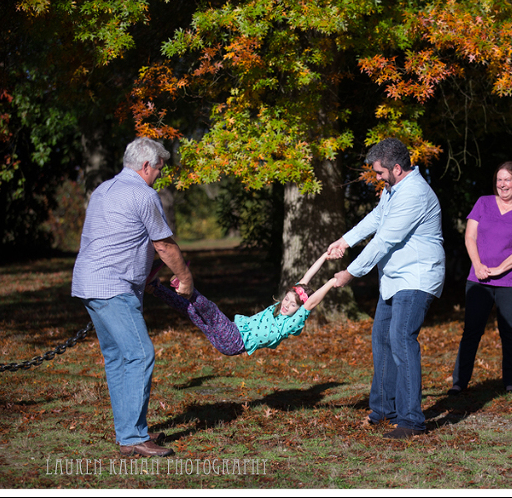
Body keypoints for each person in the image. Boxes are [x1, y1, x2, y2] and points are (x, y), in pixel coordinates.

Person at [72, 137, 193, 458]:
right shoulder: (144, 194)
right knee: (140, 355)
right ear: (145, 166)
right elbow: (165, 246)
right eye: (158, 170)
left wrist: (146, 273)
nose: (159, 176)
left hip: (88, 283)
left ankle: (129, 431)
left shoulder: (103, 190)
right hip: (113, 288)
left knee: (119, 358)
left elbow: (116, 239)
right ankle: (133, 436)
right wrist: (187, 279)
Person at [327, 138, 445, 440]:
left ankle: (411, 421)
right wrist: (345, 240)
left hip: (417, 277)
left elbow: (384, 240)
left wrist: (350, 273)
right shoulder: (394, 190)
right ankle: (383, 411)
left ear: (396, 167)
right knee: (381, 338)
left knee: (401, 338)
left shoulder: (415, 194)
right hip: (394, 278)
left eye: (380, 172)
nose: (377, 178)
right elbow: (376, 219)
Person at [448, 161, 512, 396]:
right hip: (479, 279)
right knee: (472, 331)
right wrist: (478, 265)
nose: (502, 184)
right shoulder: (483, 203)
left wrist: (499, 269)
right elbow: (470, 237)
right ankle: (459, 383)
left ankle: (510, 382)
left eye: (508, 179)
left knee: (509, 331)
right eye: (499, 179)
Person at [145, 253, 337, 356]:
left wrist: (331, 282)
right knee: (191, 310)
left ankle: (184, 282)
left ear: (298, 310)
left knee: (210, 310)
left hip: (235, 340)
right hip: (227, 340)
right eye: (287, 299)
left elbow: (311, 301)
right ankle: (154, 288)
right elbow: (305, 278)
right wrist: (324, 256)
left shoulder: (290, 323)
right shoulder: (282, 306)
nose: (286, 304)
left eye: (293, 305)